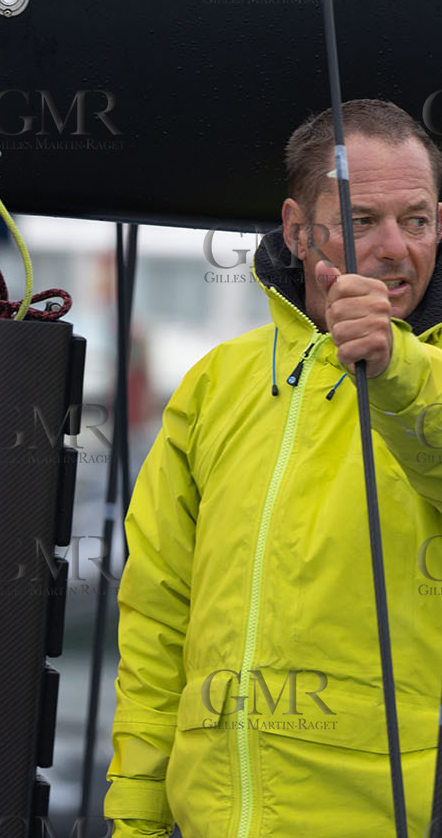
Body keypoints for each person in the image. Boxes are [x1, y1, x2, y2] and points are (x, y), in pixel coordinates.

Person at [106, 99, 442, 835]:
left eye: (415, 220)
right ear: (296, 230)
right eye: (362, 221)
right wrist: (134, 817)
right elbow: (157, 623)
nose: (393, 247)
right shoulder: (216, 383)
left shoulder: (428, 377)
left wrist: (396, 370)